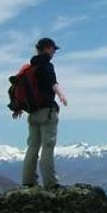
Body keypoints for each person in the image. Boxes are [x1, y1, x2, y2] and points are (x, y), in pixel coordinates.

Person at [15, 37, 68, 189]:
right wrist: (61, 95)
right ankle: (51, 183)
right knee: (48, 146)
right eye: (53, 49)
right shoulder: (47, 66)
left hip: (33, 113)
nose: (54, 52)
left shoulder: (29, 68)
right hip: (48, 112)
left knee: (32, 147)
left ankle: (28, 181)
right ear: (47, 48)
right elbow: (53, 83)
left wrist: (18, 106)